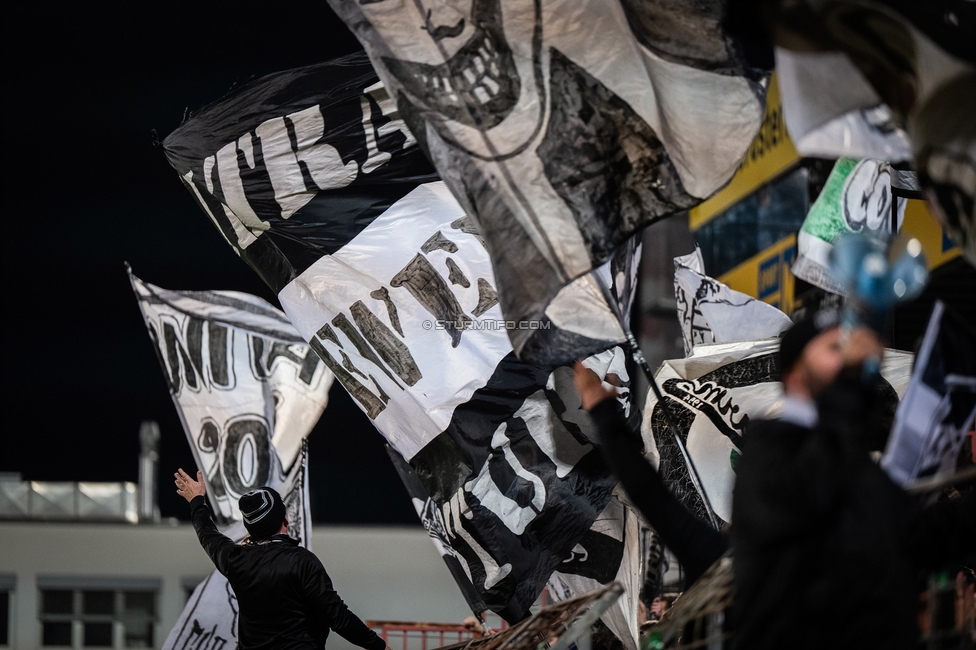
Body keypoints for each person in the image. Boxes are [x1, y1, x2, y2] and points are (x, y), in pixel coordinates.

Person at [731, 313, 976, 649]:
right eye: (835, 348)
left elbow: (911, 538)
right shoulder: (767, 451)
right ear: (795, 375)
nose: (852, 356)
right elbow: (814, 491)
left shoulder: (855, 461)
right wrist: (850, 386)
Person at [174, 469, 391, 650]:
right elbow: (338, 617)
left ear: (249, 527)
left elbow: (207, 535)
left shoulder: (236, 560)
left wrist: (197, 501)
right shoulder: (302, 562)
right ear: (285, 519)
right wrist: (379, 647)